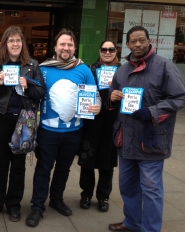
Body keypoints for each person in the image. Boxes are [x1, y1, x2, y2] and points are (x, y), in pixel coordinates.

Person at [108, 26, 185, 232]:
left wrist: (152, 111)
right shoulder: (122, 71)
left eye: (141, 40)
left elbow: (181, 97)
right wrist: (112, 98)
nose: (137, 44)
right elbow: (112, 97)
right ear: (127, 44)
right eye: (133, 41)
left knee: (151, 190)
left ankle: (150, 229)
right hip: (126, 139)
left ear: (148, 41)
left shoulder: (164, 66)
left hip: (150, 140)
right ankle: (131, 223)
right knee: (127, 186)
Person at [25, 29, 101, 227]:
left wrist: (97, 105)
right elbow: (34, 92)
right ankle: (37, 206)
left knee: (64, 169)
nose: (66, 48)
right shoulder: (43, 69)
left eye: (69, 45)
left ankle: (56, 199)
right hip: (48, 132)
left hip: (74, 131)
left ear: (74, 47)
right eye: (62, 44)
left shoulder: (83, 70)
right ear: (55, 47)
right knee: (43, 169)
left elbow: (95, 95)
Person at [0, 26, 45, 222]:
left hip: (24, 119)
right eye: (11, 41)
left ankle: (14, 204)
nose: (15, 44)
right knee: (0, 163)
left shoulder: (33, 66)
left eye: (18, 41)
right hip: (1, 118)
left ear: (23, 44)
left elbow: (41, 93)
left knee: (18, 165)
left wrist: (28, 87)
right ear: (5, 44)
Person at [77, 40, 121, 212]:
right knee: (87, 160)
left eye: (111, 49)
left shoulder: (122, 71)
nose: (107, 52)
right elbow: (83, 91)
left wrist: (119, 93)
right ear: (99, 50)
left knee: (107, 162)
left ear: (116, 51)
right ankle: (86, 194)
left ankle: (103, 196)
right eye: (104, 49)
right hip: (92, 122)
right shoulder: (90, 69)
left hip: (112, 122)